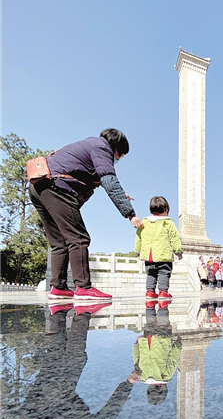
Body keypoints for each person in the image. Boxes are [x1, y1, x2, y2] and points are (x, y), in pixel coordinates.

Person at [29, 129, 143, 302]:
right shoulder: (102, 147)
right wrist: (131, 214)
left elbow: (95, 180)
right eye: (120, 155)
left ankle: (58, 288)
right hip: (57, 186)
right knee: (79, 238)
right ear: (116, 147)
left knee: (59, 241)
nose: (118, 159)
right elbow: (109, 180)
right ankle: (83, 288)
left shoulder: (88, 145)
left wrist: (121, 194)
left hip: (38, 187)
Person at [130, 303, 181, 405]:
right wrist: (136, 344)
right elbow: (136, 359)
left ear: (164, 390)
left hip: (162, 340)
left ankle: (163, 297)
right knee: (150, 320)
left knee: (163, 319)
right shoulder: (142, 377)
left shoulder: (165, 377)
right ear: (149, 390)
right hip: (147, 341)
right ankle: (150, 299)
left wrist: (178, 344)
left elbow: (173, 359)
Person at [135, 196, 182, 301]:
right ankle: (163, 292)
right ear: (166, 210)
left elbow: (138, 237)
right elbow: (174, 237)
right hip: (163, 254)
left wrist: (138, 250)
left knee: (151, 273)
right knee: (164, 272)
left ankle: (150, 292)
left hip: (149, 255)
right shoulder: (168, 222)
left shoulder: (144, 222)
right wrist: (178, 251)